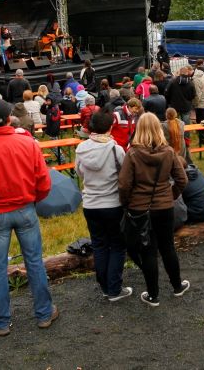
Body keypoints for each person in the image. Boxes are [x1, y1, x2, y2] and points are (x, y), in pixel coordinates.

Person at [0, 100, 56, 336]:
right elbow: (43, 181)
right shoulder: (28, 144)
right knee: (34, 261)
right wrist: (32, 200)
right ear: (9, 119)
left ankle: (1, 321)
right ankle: (44, 313)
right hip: (24, 209)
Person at [118, 113, 189, 307]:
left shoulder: (133, 154)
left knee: (148, 251)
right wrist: (171, 195)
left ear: (139, 129)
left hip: (140, 208)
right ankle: (177, 286)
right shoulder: (169, 152)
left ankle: (153, 295)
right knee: (168, 247)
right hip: (164, 206)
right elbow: (182, 180)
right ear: (159, 128)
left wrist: (127, 203)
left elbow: (124, 184)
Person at [76, 111, 131, 301]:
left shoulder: (81, 149)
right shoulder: (116, 149)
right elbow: (124, 175)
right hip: (112, 203)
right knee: (117, 245)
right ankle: (114, 288)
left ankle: (106, 287)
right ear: (110, 127)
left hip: (91, 204)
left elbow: (80, 173)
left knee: (99, 245)